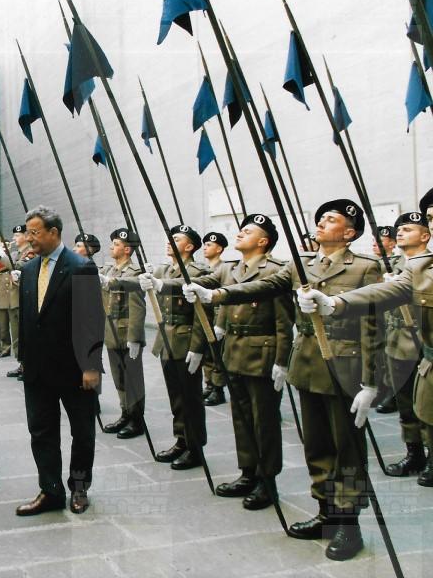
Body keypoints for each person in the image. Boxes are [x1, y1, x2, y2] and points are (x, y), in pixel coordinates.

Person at [189, 199, 383, 561]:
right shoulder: (301, 264)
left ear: (349, 233)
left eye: (331, 220)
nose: (321, 222)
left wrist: (371, 384)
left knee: (348, 450)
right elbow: (261, 286)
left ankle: (349, 524)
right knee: (317, 446)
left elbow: (373, 328)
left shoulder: (364, 268)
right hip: (307, 363)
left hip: (346, 368)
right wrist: (216, 294)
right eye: (321, 217)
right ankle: (326, 513)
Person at [143, 215, 292, 509]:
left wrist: (282, 360)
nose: (240, 233)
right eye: (241, 229)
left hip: (262, 353)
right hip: (233, 352)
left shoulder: (276, 270)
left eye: (248, 231)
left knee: (264, 421)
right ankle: (247, 472)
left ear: (263, 241)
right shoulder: (228, 268)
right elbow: (197, 282)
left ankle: (266, 480)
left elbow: (284, 321)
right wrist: (161, 284)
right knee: (241, 418)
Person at [298, 189, 433, 491]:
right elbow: (380, 295)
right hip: (410, 350)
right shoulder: (419, 268)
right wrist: (334, 303)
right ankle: (416, 453)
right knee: (411, 409)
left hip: (400, 347)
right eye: (431, 218)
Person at [13, 206, 104, 516]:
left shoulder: (81, 267)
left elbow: (92, 320)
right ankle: (50, 491)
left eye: (34, 232)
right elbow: (28, 320)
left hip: (75, 369)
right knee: (41, 432)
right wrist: (24, 358)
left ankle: (79, 487)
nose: (29, 238)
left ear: (53, 232)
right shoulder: (28, 269)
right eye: (27, 232)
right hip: (37, 370)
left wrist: (91, 366)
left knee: (82, 432)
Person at [118, 225, 211, 470]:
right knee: (176, 397)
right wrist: (115, 280)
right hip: (167, 340)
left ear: (189, 246)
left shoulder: (198, 271)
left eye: (176, 239)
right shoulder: (164, 269)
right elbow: (136, 282)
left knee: (190, 398)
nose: (170, 242)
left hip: (186, 340)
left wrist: (198, 347)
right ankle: (181, 440)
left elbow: (201, 312)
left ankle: (195, 447)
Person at [375, 213, 430, 476]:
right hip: (396, 342)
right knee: (406, 405)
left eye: (408, 229)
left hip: (424, 342)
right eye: (399, 229)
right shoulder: (391, 265)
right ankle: (414, 453)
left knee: (428, 406)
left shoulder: (429, 264)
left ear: (425, 236)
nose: (400, 232)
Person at [100, 228, 146, 439]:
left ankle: (136, 420)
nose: (112, 247)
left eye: (116, 244)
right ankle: (125, 413)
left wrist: (135, 338)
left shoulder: (134, 273)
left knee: (132, 379)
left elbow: (137, 307)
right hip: (111, 333)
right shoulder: (110, 271)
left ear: (127, 250)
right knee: (119, 377)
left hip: (126, 334)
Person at [370, 225, 400, 414]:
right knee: (376, 353)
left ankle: (392, 393)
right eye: (374, 240)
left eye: (380, 240)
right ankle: (380, 388)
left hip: (390, 315)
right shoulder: (370, 262)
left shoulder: (397, 263)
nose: (375, 243)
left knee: (390, 355)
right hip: (374, 314)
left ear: (392, 243)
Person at [201, 231, 229, 406]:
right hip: (204, 315)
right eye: (204, 244)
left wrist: (221, 323)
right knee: (206, 353)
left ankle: (218, 389)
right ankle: (209, 384)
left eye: (209, 245)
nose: (205, 247)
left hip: (218, 315)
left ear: (219, 249)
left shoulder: (224, 269)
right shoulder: (203, 269)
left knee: (217, 354)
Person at [5, 225, 34, 378]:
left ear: (25, 236)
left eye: (17, 235)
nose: (14, 238)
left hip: (24, 297)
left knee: (25, 334)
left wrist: (3, 257)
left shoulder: (30, 251)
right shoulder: (16, 253)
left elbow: (21, 266)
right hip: (13, 297)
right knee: (16, 333)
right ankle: (22, 363)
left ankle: (28, 365)